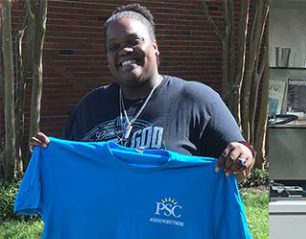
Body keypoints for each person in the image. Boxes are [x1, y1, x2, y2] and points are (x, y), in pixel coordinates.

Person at [30, 3, 255, 177]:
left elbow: (242, 156)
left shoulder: (195, 99)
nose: (124, 50)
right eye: (114, 46)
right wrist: (49, 155)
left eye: (133, 41)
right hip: (103, 234)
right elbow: (71, 171)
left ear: (155, 47)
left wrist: (243, 155)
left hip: (170, 231)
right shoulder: (90, 106)